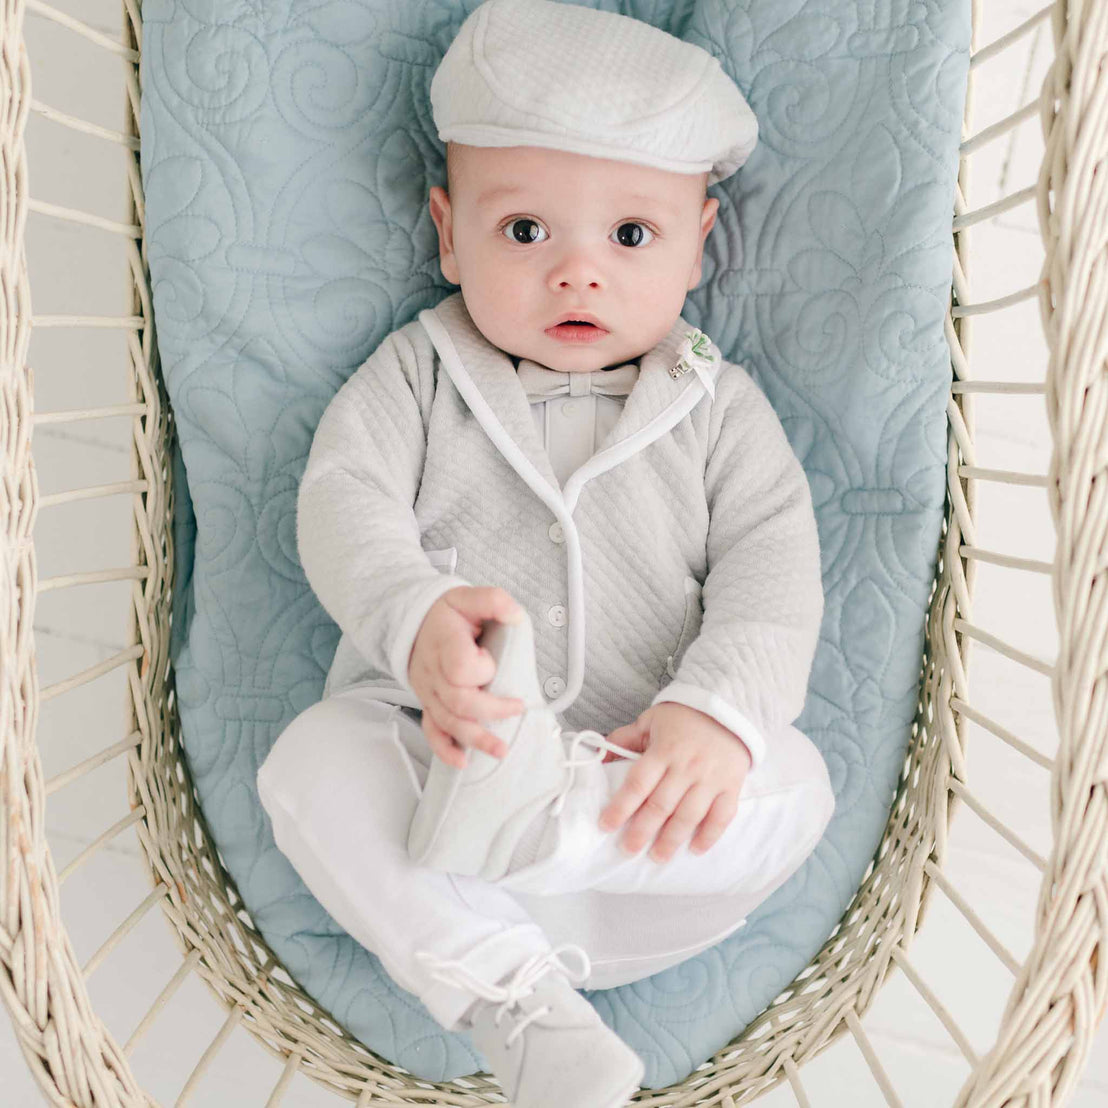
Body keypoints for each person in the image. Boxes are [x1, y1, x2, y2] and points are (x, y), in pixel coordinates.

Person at [256, 1, 834, 1105]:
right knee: (310, 763)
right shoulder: (422, 374)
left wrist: (716, 712)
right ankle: (521, 1011)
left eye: (630, 237)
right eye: (525, 233)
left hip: (636, 835)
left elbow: (773, 569)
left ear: (700, 243)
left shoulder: (717, 407)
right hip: (443, 797)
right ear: (446, 230)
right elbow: (344, 501)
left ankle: (539, 828)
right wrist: (413, 612)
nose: (578, 274)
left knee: (795, 781)